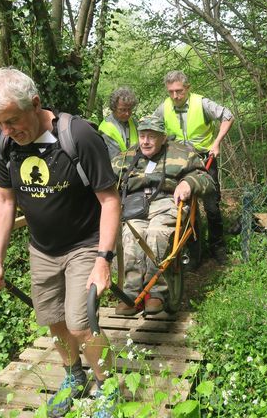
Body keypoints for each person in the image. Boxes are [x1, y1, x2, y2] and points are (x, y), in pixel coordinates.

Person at [0, 68, 121, 418]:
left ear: (36, 103)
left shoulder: (78, 135)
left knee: (80, 322)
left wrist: (104, 259)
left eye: (12, 120)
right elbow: (5, 200)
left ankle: (108, 386)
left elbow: (110, 200)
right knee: (53, 319)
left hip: (84, 243)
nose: (7, 131)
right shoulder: (7, 143)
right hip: (41, 248)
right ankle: (74, 376)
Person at [111, 115, 215, 315]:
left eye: (151, 136)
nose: (146, 141)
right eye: (142, 136)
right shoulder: (125, 158)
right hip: (135, 206)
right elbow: (106, 181)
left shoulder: (182, 153)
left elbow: (206, 179)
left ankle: (156, 293)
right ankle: (132, 294)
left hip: (168, 203)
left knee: (157, 233)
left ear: (163, 137)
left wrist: (188, 183)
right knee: (131, 236)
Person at [153, 70, 234, 264]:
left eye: (179, 91)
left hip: (204, 158)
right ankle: (192, 251)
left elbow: (228, 116)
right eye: (171, 91)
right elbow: (153, 127)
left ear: (187, 88)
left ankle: (217, 247)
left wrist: (216, 143)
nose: (175, 96)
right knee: (184, 205)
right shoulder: (164, 107)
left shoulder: (201, 103)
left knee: (211, 205)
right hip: (179, 162)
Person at [98, 87, 139, 159]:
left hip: (135, 165)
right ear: (113, 108)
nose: (127, 113)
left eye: (129, 109)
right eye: (122, 110)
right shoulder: (106, 128)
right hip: (117, 167)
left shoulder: (133, 122)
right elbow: (115, 157)